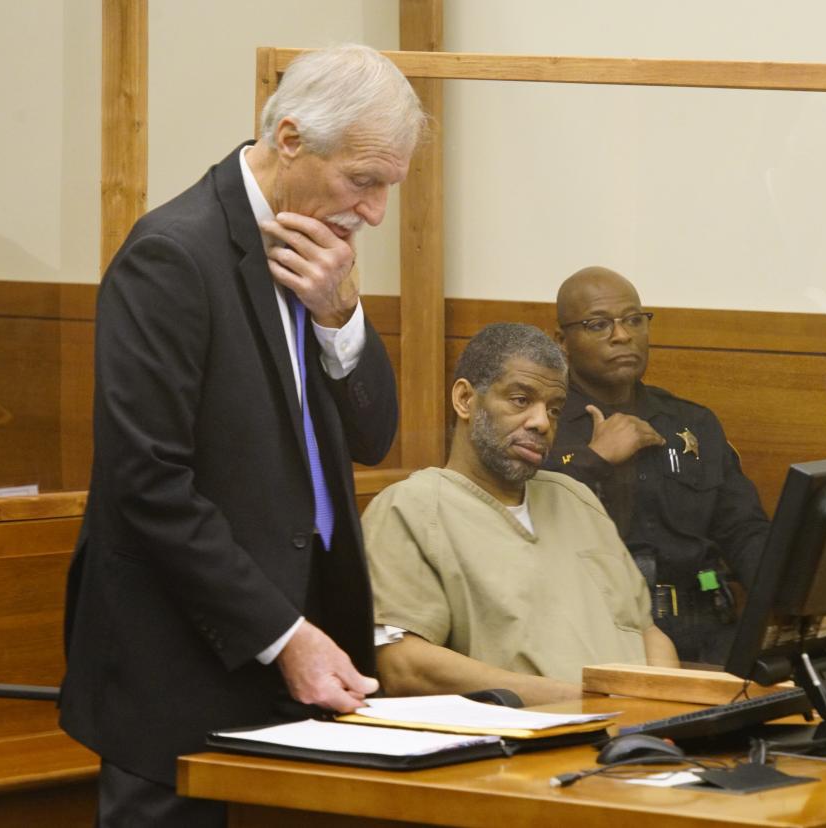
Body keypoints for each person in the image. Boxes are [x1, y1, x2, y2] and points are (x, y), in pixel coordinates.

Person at [59, 45, 425, 826]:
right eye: (363, 181)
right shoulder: (171, 255)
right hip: (182, 662)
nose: (374, 213)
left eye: (388, 186)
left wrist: (341, 320)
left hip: (303, 640)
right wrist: (282, 635)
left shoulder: (323, 257)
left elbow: (374, 437)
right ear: (290, 139)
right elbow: (148, 485)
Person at [362, 323, 678, 706]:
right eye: (520, 400)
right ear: (465, 399)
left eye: (554, 409)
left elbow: (647, 631)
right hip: (531, 745)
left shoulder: (575, 498)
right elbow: (404, 667)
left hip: (641, 737)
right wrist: (585, 701)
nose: (542, 423)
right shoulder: (413, 506)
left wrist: (665, 706)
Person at [544, 266, 770, 665]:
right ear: (562, 341)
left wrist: (790, 595)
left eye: (634, 320)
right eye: (598, 324)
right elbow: (523, 522)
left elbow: (743, 530)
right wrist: (595, 459)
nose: (622, 335)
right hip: (605, 636)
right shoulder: (544, 425)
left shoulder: (691, 423)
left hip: (710, 629)